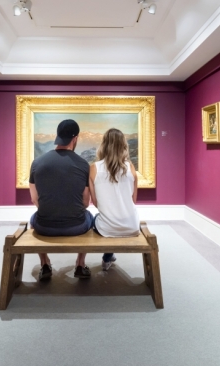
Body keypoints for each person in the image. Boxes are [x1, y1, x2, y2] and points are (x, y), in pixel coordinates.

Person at [29, 119, 93, 280]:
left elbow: (35, 200)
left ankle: (44, 264)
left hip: (44, 227)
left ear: (57, 137)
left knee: (32, 219)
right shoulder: (84, 165)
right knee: (90, 217)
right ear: (75, 138)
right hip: (76, 227)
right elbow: (86, 203)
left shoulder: (36, 163)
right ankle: (80, 263)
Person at [89, 128, 139, 271]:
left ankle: (107, 257)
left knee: (98, 217)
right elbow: (133, 200)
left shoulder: (94, 168)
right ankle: (107, 257)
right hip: (132, 226)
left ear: (103, 145)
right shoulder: (131, 167)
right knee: (113, 217)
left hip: (105, 228)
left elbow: (96, 203)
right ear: (124, 145)